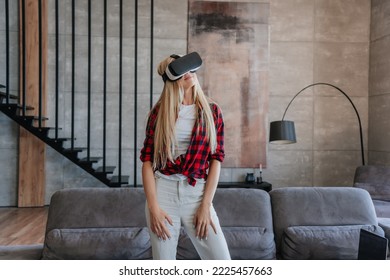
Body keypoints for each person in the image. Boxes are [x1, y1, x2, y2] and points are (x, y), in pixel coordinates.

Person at [139, 53, 231, 260]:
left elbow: (217, 159)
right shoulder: (159, 114)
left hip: (197, 193)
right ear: (171, 79)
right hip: (163, 193)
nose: (188, 73)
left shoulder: (212, 111)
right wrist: (153, 207)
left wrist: (205, 205)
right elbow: (147, 162)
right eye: (180, 71)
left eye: (189, 68)